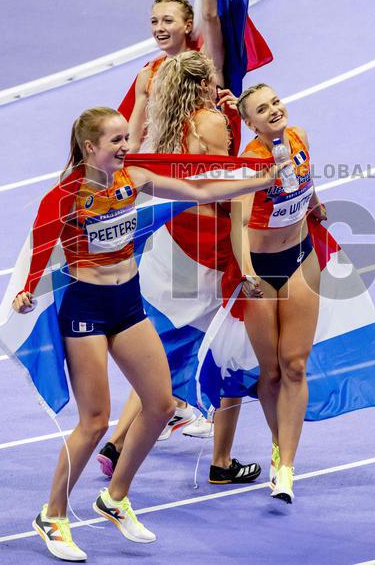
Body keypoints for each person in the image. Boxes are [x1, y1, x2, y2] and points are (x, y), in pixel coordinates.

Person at [18, 106, 279, 561]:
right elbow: (38, 249)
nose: (126, 147)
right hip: (87, 311)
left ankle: (114, 499)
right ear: (89, 147)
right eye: (116, 140)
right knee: (95, 422)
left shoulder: (132, 180)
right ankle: (52, 515)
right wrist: (25, 291)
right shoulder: (63, 198)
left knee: (159, 406)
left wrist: (255, 182)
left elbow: (198, 189)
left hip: (128, 304)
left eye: (126, 138)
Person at [99, 51, 261, 485]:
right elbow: (223, 178)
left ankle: (116, 444)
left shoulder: (168, 120)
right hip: (206, 245)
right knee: (227, 347)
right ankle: (220, 460)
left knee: (161, 356)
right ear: (206, 82)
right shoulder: (209, 122)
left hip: (171, 240)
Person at [231, 83, 328, 504]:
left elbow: (306, 184)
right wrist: (248, 271)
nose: (273, 110)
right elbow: (238, 223)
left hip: (301, 257)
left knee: (295, 365)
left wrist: (316, 204)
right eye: (261, 109)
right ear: (249, 123)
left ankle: (286, 467)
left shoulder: (299, 137)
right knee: (269, 372)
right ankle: (277, 442)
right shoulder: (249, 164)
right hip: (261, 274)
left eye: (275, 102)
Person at [124, 0, 228, 152]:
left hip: (208, 162)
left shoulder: (204, 61)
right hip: (170, 169)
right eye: (154, 21)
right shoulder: (148, 74)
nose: (159, 28)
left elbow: (210, 16)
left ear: (188, 26)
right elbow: (134, 138)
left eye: (168, 20)